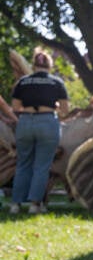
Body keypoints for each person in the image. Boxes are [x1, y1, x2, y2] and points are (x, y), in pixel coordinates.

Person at [9, 49, 69, 214]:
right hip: (48, 122)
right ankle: (35, 205)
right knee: (42, 166)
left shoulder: (22, 81)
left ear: (34, 65)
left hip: (25, 122)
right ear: (49, 65)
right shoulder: (57, 82)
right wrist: (54, 106)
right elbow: (65, 110)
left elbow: (15, 107)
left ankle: (15, 204)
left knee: (23, 165)